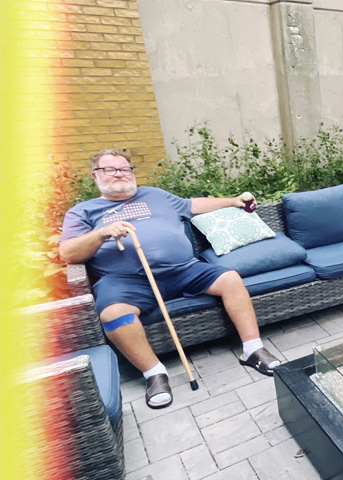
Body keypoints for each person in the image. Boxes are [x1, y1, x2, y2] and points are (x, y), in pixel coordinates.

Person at [59, 149, 282, 409]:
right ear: (95, 175)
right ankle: (154, 372)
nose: (119, 173)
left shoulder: (156, 195)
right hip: (126, 281)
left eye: (124, 168)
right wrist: (102, 233)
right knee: (113, 314)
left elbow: (193, 205)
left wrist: (232, 201)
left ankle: (252, 349)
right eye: (110, 169)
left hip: (183, 270)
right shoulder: (83, 212)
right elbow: (69, 253)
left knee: (230, 279)